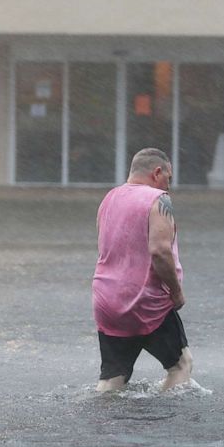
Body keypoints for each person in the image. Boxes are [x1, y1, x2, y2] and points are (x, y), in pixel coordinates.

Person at [92, 148, 193, 392]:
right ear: (157, 172)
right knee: (181, 365)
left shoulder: (109, 198)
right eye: (168, 178)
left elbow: (109, 247)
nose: (168, 186)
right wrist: (176, 293)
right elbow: (159, 251)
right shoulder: (158, 199)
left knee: (113, 378)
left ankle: (104, 422)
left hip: (107, 301)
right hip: (146, 301)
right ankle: (164, 419)